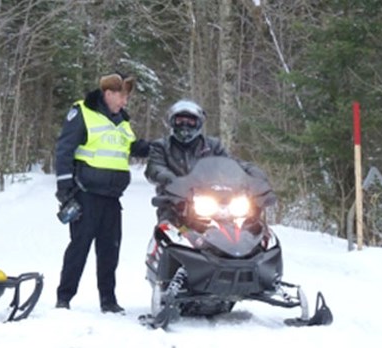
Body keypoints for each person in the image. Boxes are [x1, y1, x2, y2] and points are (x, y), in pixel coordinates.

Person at [54, 72, 150, 314]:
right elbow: (64, 151)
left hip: (112, 198)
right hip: (86, 195)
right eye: (122, 97)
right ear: (109, 94)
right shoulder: (82, 113)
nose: (125, 102)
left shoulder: (123, 121)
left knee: (110, 251)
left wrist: (158, 148)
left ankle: (108, 300)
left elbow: (131, 147)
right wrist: (65, 192)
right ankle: (64, 298)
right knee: (79, 248)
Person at [145, 99, 276, 225]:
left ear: (199, 123)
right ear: (172, 122)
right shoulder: (161, 146)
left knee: (246, 228)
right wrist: (168, 178)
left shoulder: (212, 145)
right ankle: (160, 247)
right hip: (175, 203)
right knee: (167, 231)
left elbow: (229, 162)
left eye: (190, 121)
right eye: (180, 120)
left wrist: (251, 172)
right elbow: (155, 167)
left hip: (214, 201)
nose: (185, 125)